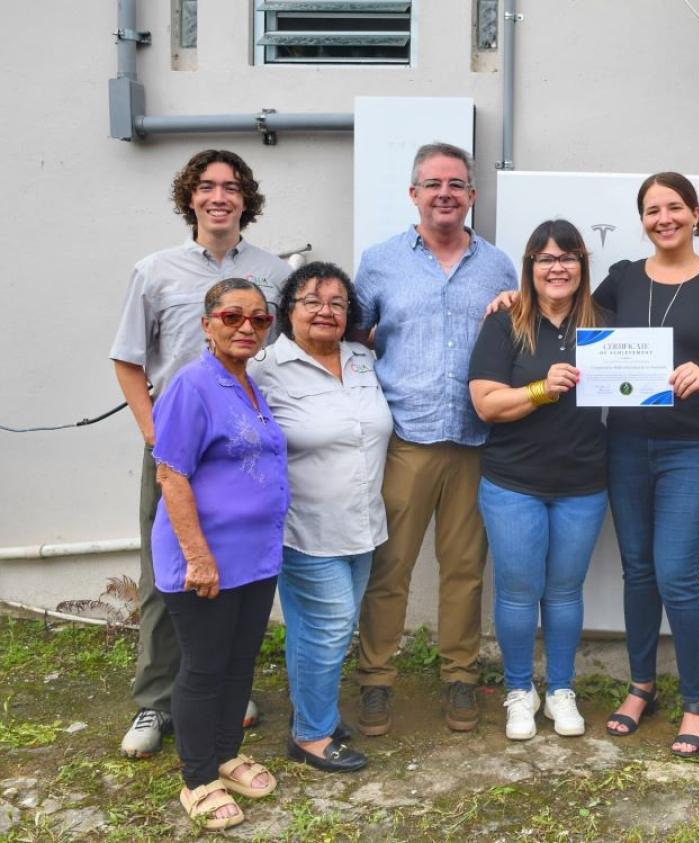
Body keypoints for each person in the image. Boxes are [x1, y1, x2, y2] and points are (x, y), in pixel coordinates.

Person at [111, 149, 289, 758]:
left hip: (244, 443)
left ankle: (219, 690)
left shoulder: (274, 271)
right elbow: (129, 359)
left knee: (237, 568)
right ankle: (155, 701)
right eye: (208, 186)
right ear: (190, 196)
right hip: (175, 445)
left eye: (232, 187)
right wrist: (153, 435)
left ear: (246, 199)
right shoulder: (155, 270)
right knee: (171, 572)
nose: (220, 197)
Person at [351, 142, 517, 736]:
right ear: (413, 194)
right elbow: (354, 337)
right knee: (389, 566)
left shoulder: (499, 265)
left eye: (456, 183)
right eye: (432, 183)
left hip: (477, 443)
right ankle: (374, 679)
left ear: (472, 195)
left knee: (465, 569)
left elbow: (516, 337)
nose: (444, 192)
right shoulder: (379, 262)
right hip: (408, 441)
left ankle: (460, 678)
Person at [600, 173, 699, 757]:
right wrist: (516, 297)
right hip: (626, 444)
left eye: (674, 208)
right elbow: (566, 318)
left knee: (676, 575)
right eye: (651, 210)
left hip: (694, 449)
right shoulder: (620, 280)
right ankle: (642, 685)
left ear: (694, 213)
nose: (663, 218)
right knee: (638, 570)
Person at [152, 279, 287, 830]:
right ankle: (198, 778)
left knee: (238, 662)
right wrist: (198, 557)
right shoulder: (193, 384)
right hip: (206, 559)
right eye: (233, 316)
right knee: (205, 668)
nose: (247, 328)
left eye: (259, 319)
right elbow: (171, 473)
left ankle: (227, 754)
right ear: (207, 323)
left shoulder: (248, 385)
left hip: (255, 557)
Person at [468, 220, 609, 741]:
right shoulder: (505, 323)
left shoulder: (603, 323)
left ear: (582, 265)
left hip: (583, 482)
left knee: (566, 591)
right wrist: (540, 389)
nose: (557, 267)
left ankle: (562, 690)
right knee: (519, 591)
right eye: (545, 258)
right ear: (530, 266)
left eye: (568, 257)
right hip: (513, 482)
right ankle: (519, 690)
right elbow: (485, 404)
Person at [251, 262, 393, 772]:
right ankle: (311, 735)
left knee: (317, 629)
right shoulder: (265, 367)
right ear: (288, 311)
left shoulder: (362, 358)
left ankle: (313, 713)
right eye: (311, 301)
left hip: (363, 522)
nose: (325, 311)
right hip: (304, 527)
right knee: (330, 628)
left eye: (336, 303)